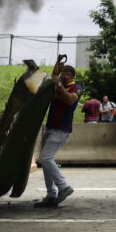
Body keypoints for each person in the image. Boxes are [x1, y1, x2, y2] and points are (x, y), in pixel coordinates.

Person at [34, 57, 82, 208]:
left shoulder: (77, 87)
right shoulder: (57, 87)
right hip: (51, 128)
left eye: (66, 74)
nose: (63, 76)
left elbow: (69, 100)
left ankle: (64, 187)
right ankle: (51, 195)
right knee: (46, 161)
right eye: (62, 74)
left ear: (71, 75)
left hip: (61, 130)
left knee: (46, 159)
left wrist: (59, 85)